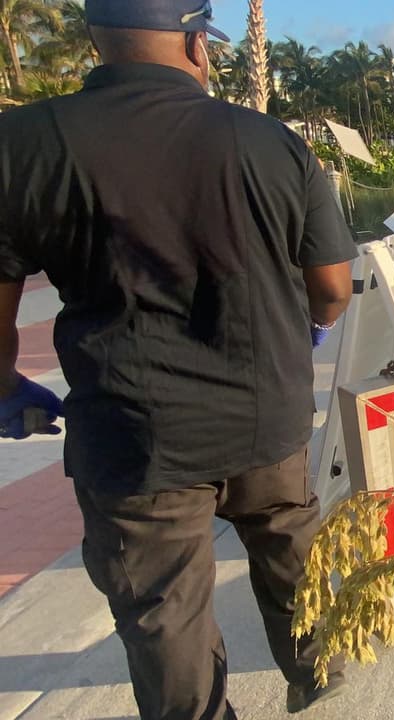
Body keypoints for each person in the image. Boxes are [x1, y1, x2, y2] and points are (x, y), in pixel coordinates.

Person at [0, 1, 356, 717]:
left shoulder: (24, 142)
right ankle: (316, 666)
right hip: (268, 416)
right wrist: (312, 327)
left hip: (136, 441)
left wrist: (5, 382)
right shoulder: (272, 142)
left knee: (166, 610)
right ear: (198, 45)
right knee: (291, 545)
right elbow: (333, 288)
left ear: (95, 43)